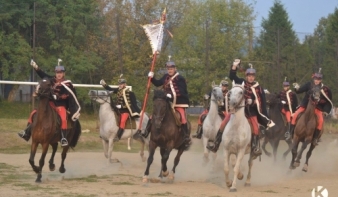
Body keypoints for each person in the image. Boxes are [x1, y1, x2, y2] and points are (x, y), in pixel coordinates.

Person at [207, 59, 275, 154]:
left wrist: (254, 102)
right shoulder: (242, 82)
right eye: (249, 76)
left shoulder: (259, 88)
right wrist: (234, 66)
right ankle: (216, 144)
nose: (251, 78)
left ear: (254, 77)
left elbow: (261, 101)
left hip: (251, 112)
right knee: (223, 123)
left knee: (255, 128)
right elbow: (232, 76)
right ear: (246, 76)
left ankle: (255, 148)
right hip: (238, 110)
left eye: (252, 76)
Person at [18, 59, 80, 146]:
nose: (59, 74)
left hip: (61, 106)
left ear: (63, 73)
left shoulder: (68, 84)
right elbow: (43, 75)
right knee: (33, 113)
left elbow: (68, 95)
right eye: (57, 72)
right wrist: (36, 67)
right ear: (55, 73)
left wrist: (59, 96)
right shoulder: (51, 80)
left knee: (63, 118)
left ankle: (63, 138)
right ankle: (27, 132)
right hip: (51, 105)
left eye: (60, 72)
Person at [145, 59, 191, 148]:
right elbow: (158, 83)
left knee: (182, 117)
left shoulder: (180, 78)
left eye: (171, 68)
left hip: (178, 102)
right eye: (168, 68)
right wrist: (151, 78)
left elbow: (182, 91)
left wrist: (172, 95)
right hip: (166, 102)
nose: (170, 70)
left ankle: (185, 136)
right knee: (153, 115)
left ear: (175, 69)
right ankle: (146, 131)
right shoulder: (165, 76)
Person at [290, 68, 332, 145]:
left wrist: (326, 111)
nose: (317, 80)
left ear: (321, 80)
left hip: (317, 108)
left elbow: (328, 101)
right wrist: (296, 87)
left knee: (321, 121)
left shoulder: (325, 89)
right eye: (316, 79)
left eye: (318, 79)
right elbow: (299, 91)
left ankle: (315, 138)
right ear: (313, 78)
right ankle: (290, 133)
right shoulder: (308, 84)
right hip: (305, 105)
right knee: (294, 115)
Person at [100, 76, 141, 142]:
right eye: (119, 84)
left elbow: (129, 104)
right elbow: (110, 89)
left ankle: (118, 136)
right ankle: (105, 134)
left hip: (125, 110)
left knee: (122, 121)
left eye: (121, 84)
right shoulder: (118, 90)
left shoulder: (129, 93)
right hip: (117, 109)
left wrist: (121, 106)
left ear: (125, 84)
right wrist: (104, 84)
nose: (120, 85)